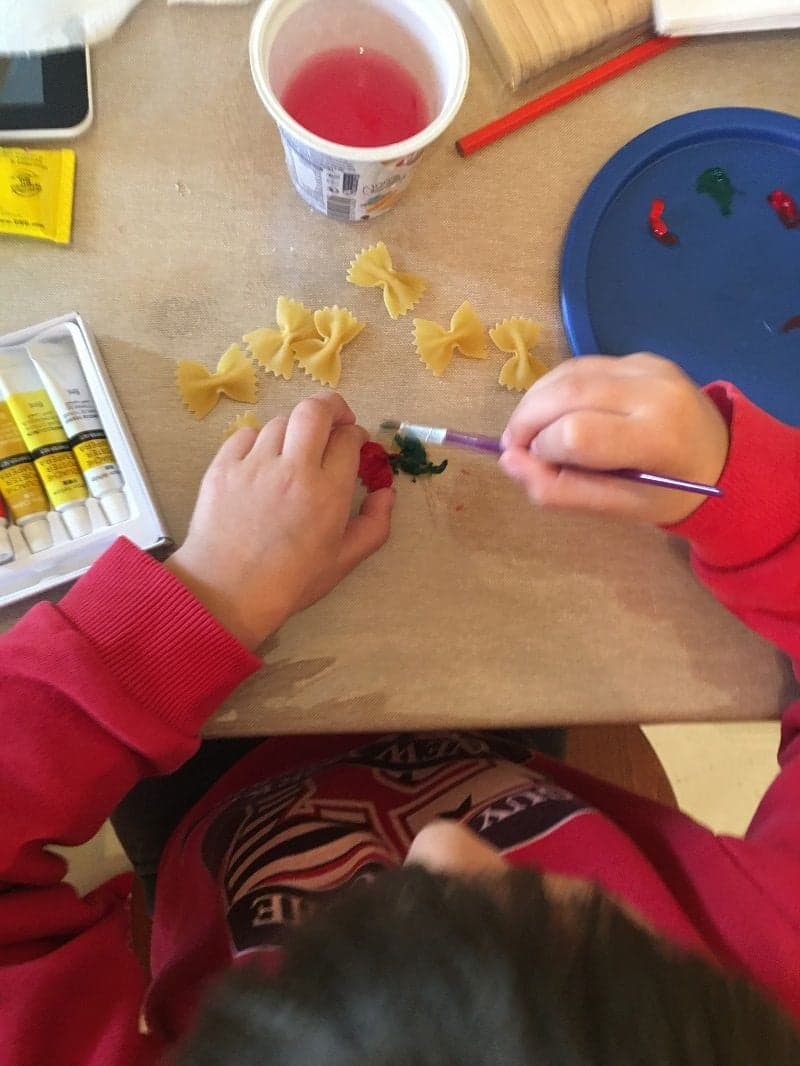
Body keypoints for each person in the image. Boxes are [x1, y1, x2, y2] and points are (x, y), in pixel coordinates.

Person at [2, 354, 800, 1066]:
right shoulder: (776, 971)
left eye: (359, 948)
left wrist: (204, 597)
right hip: (492, 745)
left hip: (205, 809)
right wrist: (738, 487)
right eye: (562, 916)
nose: (443, 842)